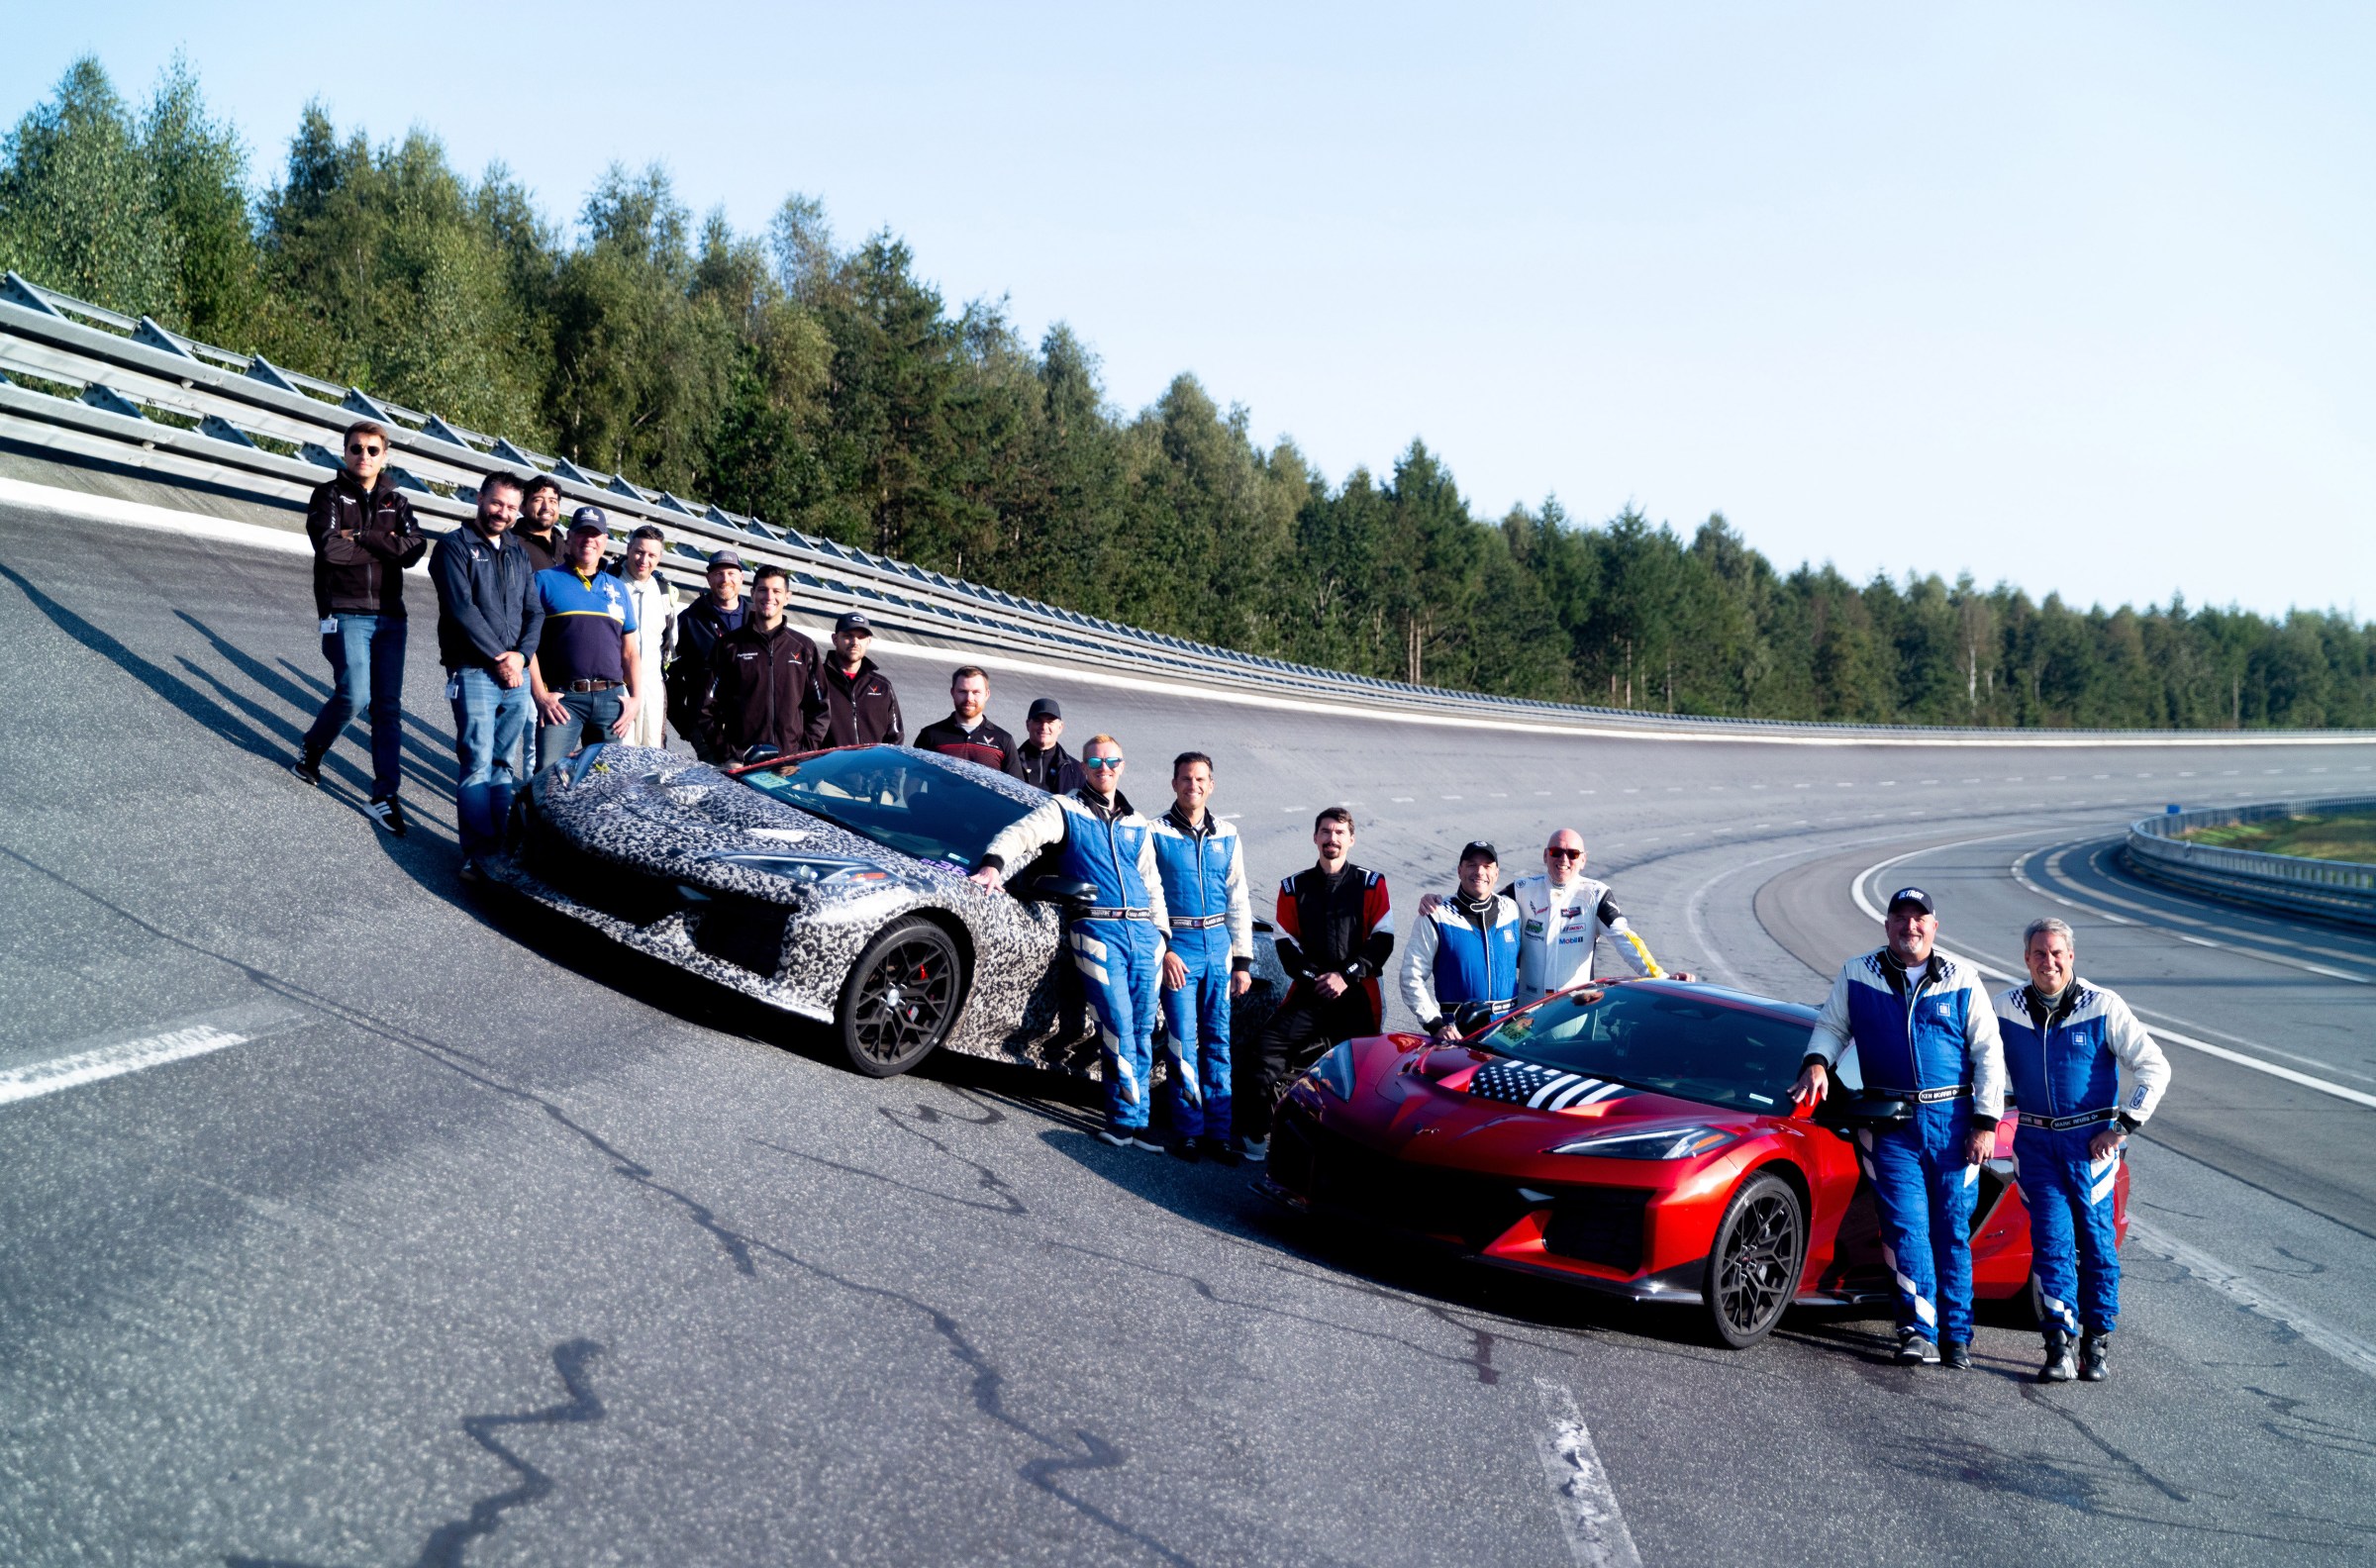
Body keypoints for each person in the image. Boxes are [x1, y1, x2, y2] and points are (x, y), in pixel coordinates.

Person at [1790, 887, 2006, 1369]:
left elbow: (1989, 1054)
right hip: (1891, 1124)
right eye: (1900, 917)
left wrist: (1985, 1123)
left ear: (1934, 925)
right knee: (1906, 1229)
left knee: (1950, 1229)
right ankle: (1917, 1331)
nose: (1910, 926)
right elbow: (1831, 1026)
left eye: (1919, 918)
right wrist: (1818, 1062)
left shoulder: (1961, 978)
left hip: (1953, 1125)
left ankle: (1957, 1335)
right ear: (1886, 925)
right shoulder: (1857, 973)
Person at [969, 735, 1170, 1149]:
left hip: (1144, 937)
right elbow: (1021, 834)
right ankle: (1121, 1118)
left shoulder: (1138, 824)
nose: (1104, 767)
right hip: (1096, 930)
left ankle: (1141, 1119)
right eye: (1095, 760)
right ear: (1083, 765)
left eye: (1112, 760)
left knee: (1143, 1027)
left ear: (1122, 765)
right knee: (1116, 1023)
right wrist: (993, 865)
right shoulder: (1065, 809)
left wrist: (1163, 937)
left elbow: (1154, 887)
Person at [1992, 917, 2170, 1384]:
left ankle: (2096, 1341)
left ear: (2071, 957)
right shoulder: (2005, 1007)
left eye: (2056, 953)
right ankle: (2058, 1345)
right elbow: (1977, 1059)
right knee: (2051, 1244)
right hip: (2034, 1143)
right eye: (2038, 953)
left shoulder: (2103, 1005)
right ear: (2025, 958)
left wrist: (2123, 1126)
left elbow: (2154, 1067)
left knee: (2096, 1247)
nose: (2047, 961)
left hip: (2091, 1147)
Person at [293, 418, 429, 836]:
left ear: (384, 456)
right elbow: (331, 549)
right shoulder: (328, 494)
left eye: (373, 450)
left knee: (387, 708)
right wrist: (382, 544)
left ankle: (385, 796)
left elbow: (414, 550)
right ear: (345, 451)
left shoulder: (398, 502)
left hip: (392, 615)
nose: (364, 456)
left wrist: (363, 536)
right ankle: (313, 748)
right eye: (356, 448)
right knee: (354, 695)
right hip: (344, 610)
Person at [1239, 808, 1393, 1161]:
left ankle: (1350, 1154)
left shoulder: (1371, 883)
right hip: (1309, 995)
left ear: (1351, 839)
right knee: (1264, 1051)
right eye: (1325, 831)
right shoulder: (1293, 887)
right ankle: (1256, 1135)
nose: (1332, 839)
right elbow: (1285, 947)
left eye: (1340, 832)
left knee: (1358, 1080)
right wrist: (1318, 978)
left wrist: (1346, 976)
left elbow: (1383, 941)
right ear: (1315, 838)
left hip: (1357, 997)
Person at [430, 471, 544, 881]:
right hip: (474, 669)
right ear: (480, 498)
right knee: (477, 761)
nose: (503, 513)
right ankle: (478, 855)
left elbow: (536, 612)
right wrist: (500, 657)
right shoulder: (453, 547)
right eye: (497, 503)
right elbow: (462, 610)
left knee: (502, 765)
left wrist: (521, 655)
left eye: (512, 507)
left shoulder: (517, 551)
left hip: (515, 672)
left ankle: (501, 848)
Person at [1417, 829, 1686, 993]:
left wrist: (1661, 977)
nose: (1564, 860)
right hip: (1524, 1010)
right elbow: (1479, 904)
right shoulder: (1522, 889)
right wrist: (1439, 903)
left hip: (1573, 1010)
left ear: (1583, 859)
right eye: (1557, 852)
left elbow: (1626, 939)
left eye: (1572, 853)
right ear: (1545, 855)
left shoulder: (1596, 895)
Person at [1149, 751, 1254, 1163]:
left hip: (1218, 949)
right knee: (1182, 1042)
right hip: (1181, 948)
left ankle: (1219, 1134)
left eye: (1201, 779)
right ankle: (1189, 1130)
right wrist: (1166, 949)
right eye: (1186, 779)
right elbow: (1147, 898)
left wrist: (1242, 962)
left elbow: (1238, 899)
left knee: (1218, 1043)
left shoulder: (1227, 834)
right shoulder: (1155, 832)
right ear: (1174, 783)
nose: (1193, 786)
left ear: (1211, 785)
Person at [528, 508, 642, 771]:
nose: (588, 540)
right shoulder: (544, 580)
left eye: (595, 534)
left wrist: (635, 700)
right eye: (582, 533)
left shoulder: (618, 588)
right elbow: (527, 644)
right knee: (549, 774)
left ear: (604, 540)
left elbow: (630, 653)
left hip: (611, 699)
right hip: (564, 699)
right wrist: (540, 695)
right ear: (569, 537)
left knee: (605, 782)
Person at [700, 564, 826, 760]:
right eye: (763, 590)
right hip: (742, 764)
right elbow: (706, 708)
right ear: (752, 593)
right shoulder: (729, 646)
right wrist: (728, 755)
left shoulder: (804, 648)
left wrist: (801, 755)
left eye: (776, 591)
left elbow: (820, 709)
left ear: (787, 597)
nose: (769, 597)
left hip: (790, 765)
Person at [1401, 841, 1524, 1037]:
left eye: (1487, 866)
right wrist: (1435, 1024)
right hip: (1458, 1034)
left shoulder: (1511, 909)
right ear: (1459, 871)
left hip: (1509, 1034)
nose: (1480, 871)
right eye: (1472, 865)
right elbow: (1411, 977)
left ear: (1496, 873)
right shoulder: (1435, 915)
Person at [666, 550, 746, 759]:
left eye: (731, 573)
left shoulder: (757, 620)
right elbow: (671, 678)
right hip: (708, 728)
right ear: (709, 578)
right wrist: (686, 724)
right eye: (719, 574)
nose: (725, 579)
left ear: (741, 578)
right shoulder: (688, 621)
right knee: (721, 786)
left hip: (753, 725)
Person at [613, 525, 677, 748]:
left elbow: (669, 639)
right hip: (616, 682)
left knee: (653, 751)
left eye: (651, 555)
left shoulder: (663, 591)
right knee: (620, 751)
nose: (644, 559)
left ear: (659, 558)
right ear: (629, 548)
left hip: (652, 683)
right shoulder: (609, 582)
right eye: (639, 551)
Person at [915, 667, 1027, 777]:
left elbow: (1015, 791)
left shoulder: (1003, 740)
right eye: (963, 691)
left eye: (976, 692)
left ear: (987, 694)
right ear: (952, 692)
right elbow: (913, 779)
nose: (969, 698)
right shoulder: (930, 735)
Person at [815, 611, 903, 746]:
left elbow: (895, 737)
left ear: (868, 642)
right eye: (848, 636)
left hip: (871, 767)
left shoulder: (883, 686)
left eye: (861, 637)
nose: (855, 642)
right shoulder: (816, 679)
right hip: (828, 767)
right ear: (835, 639)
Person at [1017, 698, 1083, 793]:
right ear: (1028, 724)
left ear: (1060, 727)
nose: (1044, 727)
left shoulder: (1075, 770)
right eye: (1038, 721)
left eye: (1050, 722)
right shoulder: (1011, 762)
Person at [514, 474, 564, 573]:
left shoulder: (567, 549)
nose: (546, 507)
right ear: (522, 507)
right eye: (538, 500)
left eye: (552, 501)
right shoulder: (511, 545)